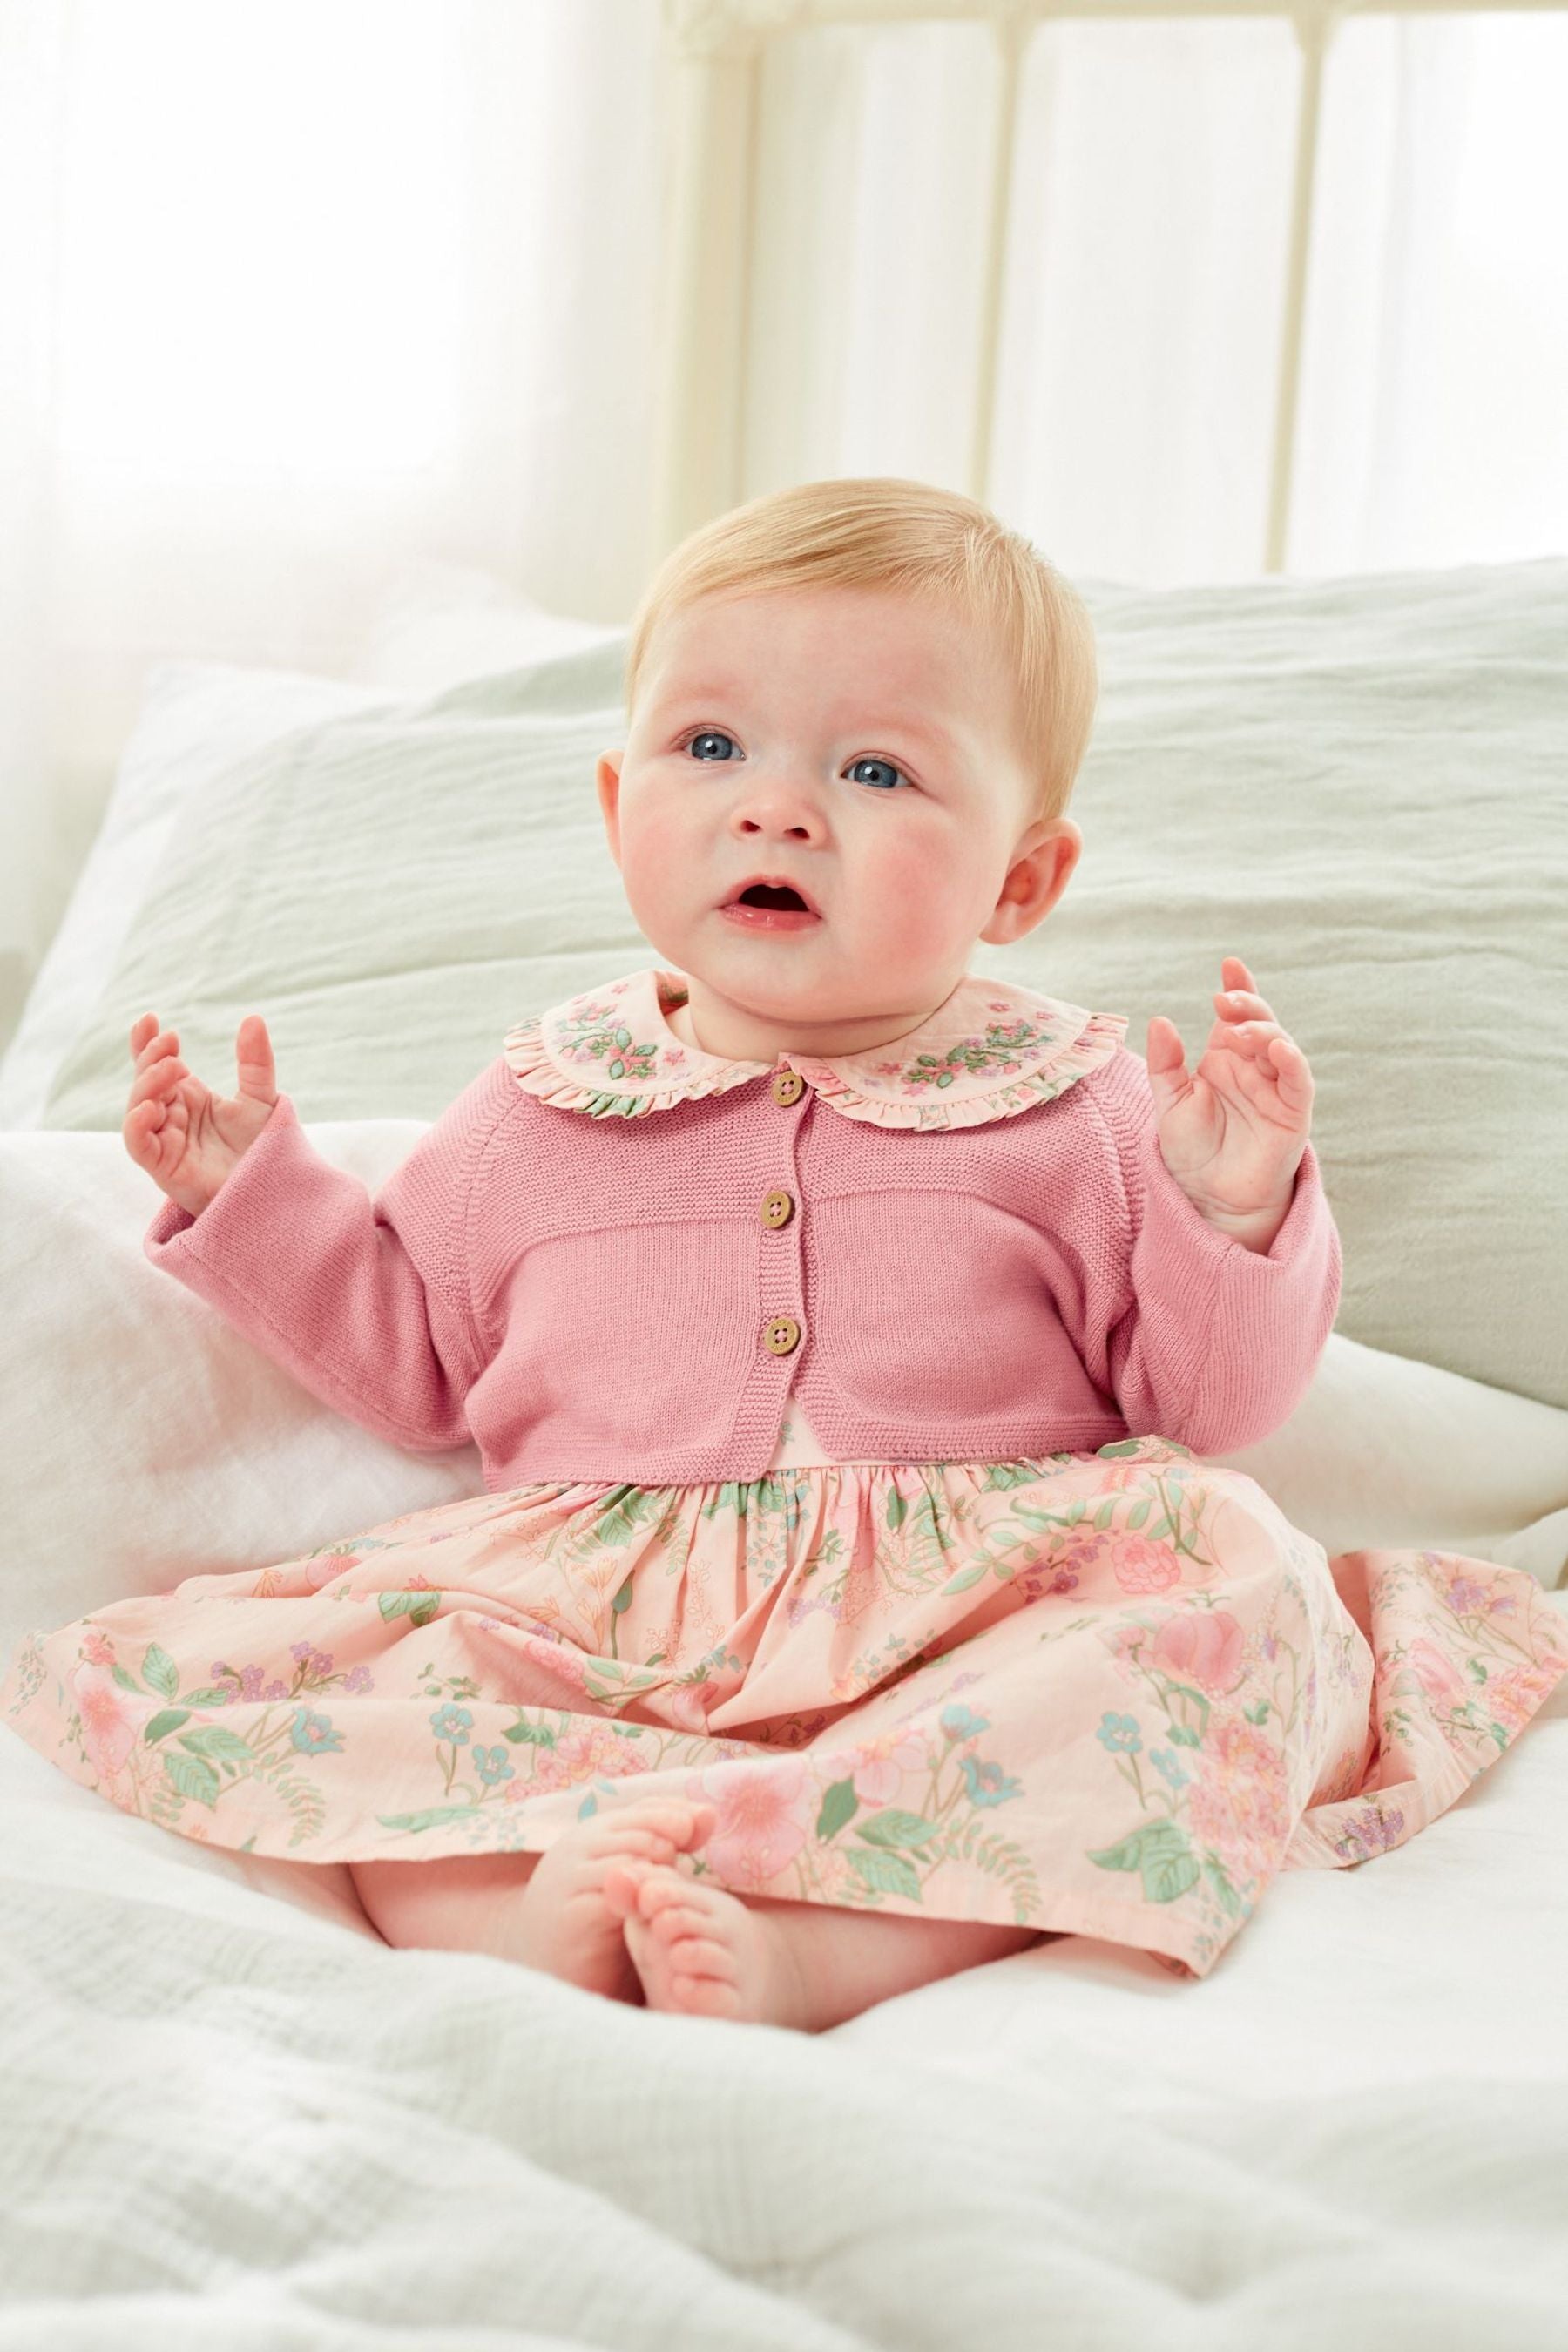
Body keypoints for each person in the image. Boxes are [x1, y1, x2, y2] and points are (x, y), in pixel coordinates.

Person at [4, 477, 1565, 2033]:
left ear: (1019, 882)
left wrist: (1234, 1208)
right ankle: (513, 1916)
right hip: (599, 1615)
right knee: (389, 1693)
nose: (777, 808)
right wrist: (246, 1192)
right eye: (710, 748)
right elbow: (419, 1361)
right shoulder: (547, 1097)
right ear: (622, 811)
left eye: (875, 769)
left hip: (971, 1611)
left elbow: (1207, 1401)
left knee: (1229, 1613)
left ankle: (836, 1942)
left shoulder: (1078, 1100)